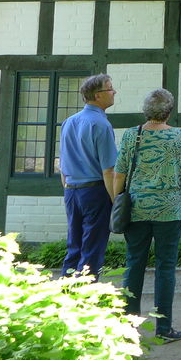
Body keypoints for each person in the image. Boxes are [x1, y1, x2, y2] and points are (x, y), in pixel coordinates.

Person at [113, 88, 181, 343]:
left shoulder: (132, 135)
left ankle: (129, 328)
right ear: (169, 111)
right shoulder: (179, 136)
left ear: (145, 111)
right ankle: (163, 328)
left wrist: (117, 203)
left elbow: (119, 174)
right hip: (170, 211)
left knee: (134, 264)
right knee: (165, 268)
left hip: (136, 209)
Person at [58, 73, 118, 276]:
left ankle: (65, 290)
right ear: (98, 95)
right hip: (95, 192)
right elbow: (108, 170)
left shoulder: (68, 122)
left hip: (71, 191)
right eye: (110, 88)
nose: (114, 92)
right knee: (92, 249)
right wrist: (116, 201)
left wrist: (68, 189)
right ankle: (87, 293)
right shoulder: (101, 124)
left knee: (74, 247)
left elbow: (63, 164)